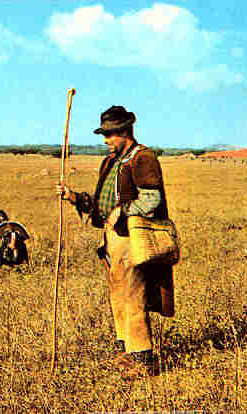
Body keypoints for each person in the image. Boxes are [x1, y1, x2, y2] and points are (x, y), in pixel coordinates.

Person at [56, 105, 174, 378]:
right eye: (105, 135)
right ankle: (125, 350)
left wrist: (122, 210)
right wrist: (74, 197)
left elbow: (151, 200)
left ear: (125, 132)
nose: (106, 141)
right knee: (118, 296)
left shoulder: (143, 158)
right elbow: (102, 204)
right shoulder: (111, 162)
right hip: (112, 240)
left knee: (134, 297)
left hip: (134, 237)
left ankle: (142, 359)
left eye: (110, 135)